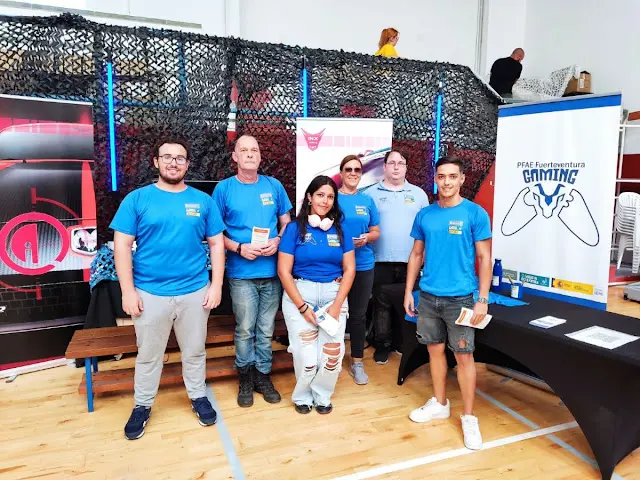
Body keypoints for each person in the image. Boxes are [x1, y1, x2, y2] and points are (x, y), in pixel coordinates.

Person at [111, 138, 225, 440]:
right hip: (149, 294)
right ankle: (142, 405)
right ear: (156, 162)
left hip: (194, 292)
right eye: (167, 157)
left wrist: (216, 285)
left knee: (195, 351)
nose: (173, 163)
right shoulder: (137, 199)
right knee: (149, 355)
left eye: (180, 158)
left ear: (187, 164)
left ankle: (198, 396)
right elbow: (121, 246)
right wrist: (127, 291)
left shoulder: (203, 201)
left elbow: (217, 244)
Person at [403, 155, 492, 451]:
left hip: (461, 299)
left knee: (464, 357)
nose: (446, 182)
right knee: (435, 351)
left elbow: (485, 258)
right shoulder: (425, 215)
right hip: (428, 296)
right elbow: (416, 254)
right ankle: (440, 403)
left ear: (462, 179)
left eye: (452, 176)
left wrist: (482, 299)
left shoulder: (475, 214)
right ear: (435, 179)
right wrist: (409, 291)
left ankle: (469, 417)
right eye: (441, 176)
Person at [213, 134, 292, 408]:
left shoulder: (274, 186)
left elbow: (287, 222)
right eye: (244, 150)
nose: (249, 154)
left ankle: (263, 376)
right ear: (234, 156)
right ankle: (245, 378)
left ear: (260, 156)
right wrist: (238, 247)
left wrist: (278, 240)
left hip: (272, 272)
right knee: (245, 329)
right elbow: (214, 233)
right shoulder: (224, 189)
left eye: (254, 150)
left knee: (266, 329)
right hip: (241, 273)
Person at [278, 175, 356, 414]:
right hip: (300, 294)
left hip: (334, 295)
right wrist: (302, 306)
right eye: (320, 195)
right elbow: (283, 271)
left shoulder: (342, 230)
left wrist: (337, 305)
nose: (325, 201)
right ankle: (302, 396)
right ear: (309, 197)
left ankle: (322, 395)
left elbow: (350, 269)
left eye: (330, 197)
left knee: (333, 355)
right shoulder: (294, 229)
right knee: (307, 356)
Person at [365, 150, 429, 365]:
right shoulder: (370, 194)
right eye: (391, 162)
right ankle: (383, 345)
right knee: (381, 305)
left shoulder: (419, 194)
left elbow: (426, 229)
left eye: (400, 163)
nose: (396, 167)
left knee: (408, 304)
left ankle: (403, 344)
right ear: (384, 167)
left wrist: (425, 256)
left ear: (406, 168)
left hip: (411, 261)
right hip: (379, 260)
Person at [337, 155, 380, 385]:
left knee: (358, 315)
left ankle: (357, 362)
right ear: (341, 172)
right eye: (348, 169)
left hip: (363, 264)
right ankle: (329, 360)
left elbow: (376, 231)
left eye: (357, 170)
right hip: (335, 265)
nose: (353, 173)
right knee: (332, 313)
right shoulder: (331, 198)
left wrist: (366, 238)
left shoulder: (367, 200)